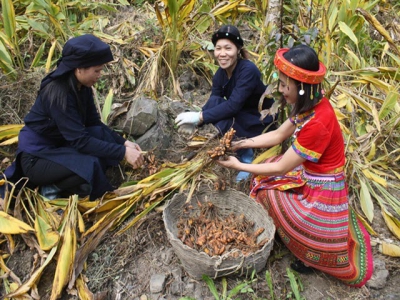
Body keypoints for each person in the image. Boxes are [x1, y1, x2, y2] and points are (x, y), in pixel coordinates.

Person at [216, 44, 373, 287]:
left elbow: (281, 169)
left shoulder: (317, 123)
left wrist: (239, 166)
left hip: (323, 192)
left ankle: (308, 255)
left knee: (266, 189)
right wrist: (240, 143)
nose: (280, 90)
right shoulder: (311, 105)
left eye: (283, 84)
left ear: (301, 87)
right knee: (265, 169)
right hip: (311, 174)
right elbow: (279, 135)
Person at [1, 34, 144, 200]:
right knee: (91, 165)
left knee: (100, 133)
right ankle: (50, 189)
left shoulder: (82, 88)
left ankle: (70, 184)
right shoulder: (57, 94)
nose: (100, 75)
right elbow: (80, 141)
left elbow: (93, 124)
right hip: (37, 158)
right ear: (79, 68)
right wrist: (122, 152)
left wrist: (124, 143)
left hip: (61, 145)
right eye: (96, 70)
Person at [175, 25, 276, 181]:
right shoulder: (220, 75)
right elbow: (213, 102)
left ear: (238, 49)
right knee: (216, 102)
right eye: (218, 48)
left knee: (225, 113)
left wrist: (200, 116)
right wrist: (197, 122)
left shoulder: (248, 70)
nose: (222, 54)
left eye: (228, 48)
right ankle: (239, 146)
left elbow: (233, 105)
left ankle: (247, 155)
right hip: (242, 115)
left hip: (260, 120)